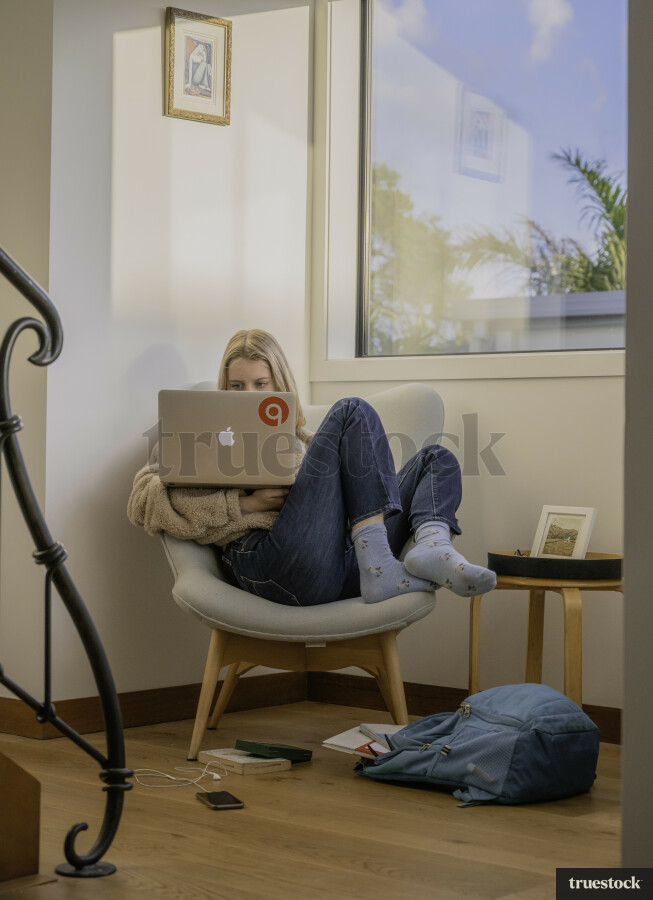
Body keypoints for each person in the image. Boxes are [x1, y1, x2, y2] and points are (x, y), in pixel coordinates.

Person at [128, 329, 496, 607]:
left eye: (260, 383)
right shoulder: (199, 435)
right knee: (352, 409)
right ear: (224, 388)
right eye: (237, 386)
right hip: (269, 564)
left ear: (280, 385)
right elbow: (143, 502)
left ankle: (431, 545)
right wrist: (247, 504)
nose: (249, 395)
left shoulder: (306, 442)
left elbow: (337, 502)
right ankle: (381, 564)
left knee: (437, 458)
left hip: (339, 566)